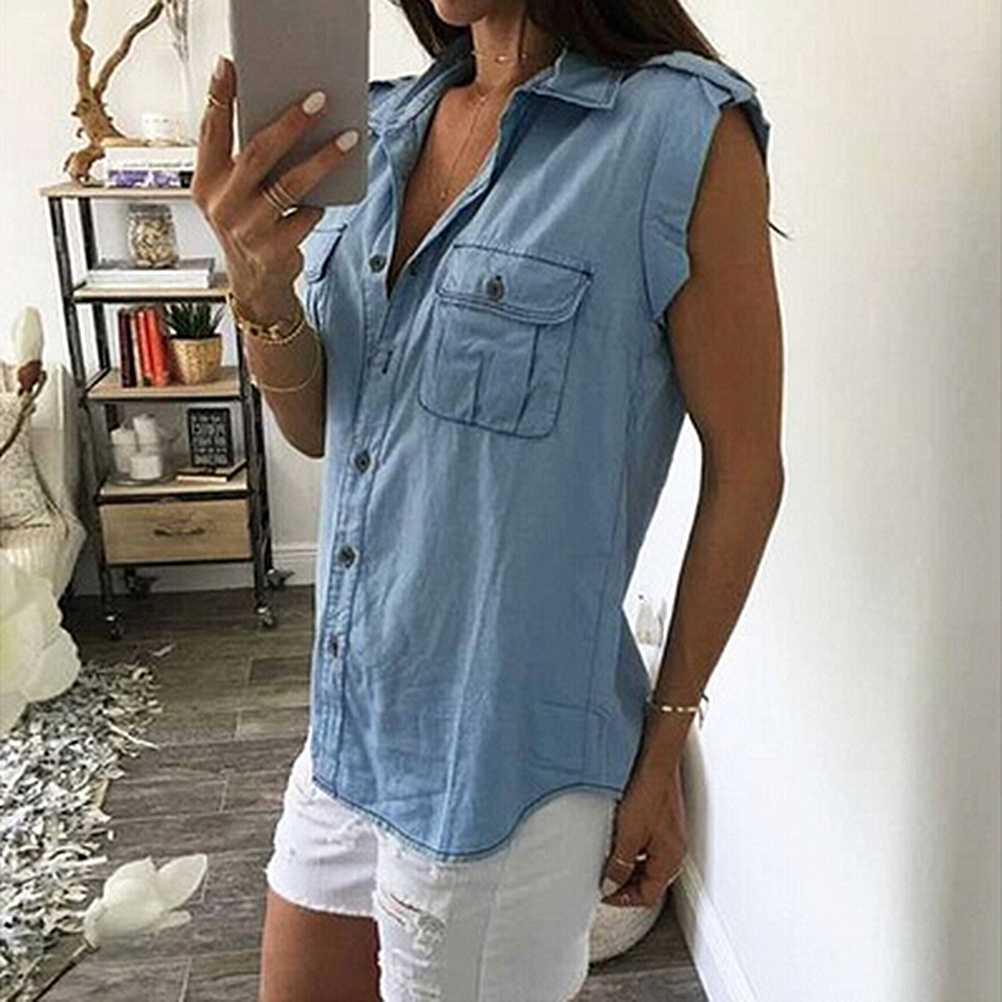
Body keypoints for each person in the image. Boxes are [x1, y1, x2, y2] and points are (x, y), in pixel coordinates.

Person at [192, 0, 785, 998]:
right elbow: (323, 426)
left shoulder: (679, 134)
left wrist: (664, 748)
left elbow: (748, 468)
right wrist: (258, 288)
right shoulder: (379, 126)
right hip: (349, 729)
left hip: (504, 770)